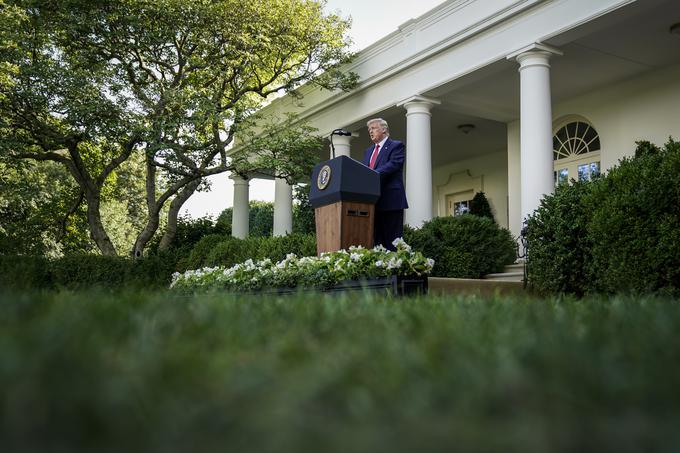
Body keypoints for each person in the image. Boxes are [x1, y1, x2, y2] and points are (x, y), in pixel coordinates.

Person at [362, 118, 408, 250]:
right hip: (373, 203)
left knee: (393, 242)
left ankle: (394, 269)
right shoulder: (368, 151)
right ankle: (380, 269)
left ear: (384, 129)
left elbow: (393, 164)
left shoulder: (396, 146)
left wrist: (372, 174)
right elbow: (364, 171)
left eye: (374, 128)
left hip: (391, 202)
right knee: (377, 242)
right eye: (369, 130)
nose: (371, 132)